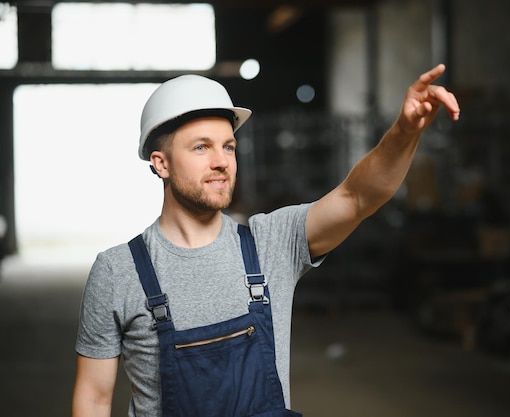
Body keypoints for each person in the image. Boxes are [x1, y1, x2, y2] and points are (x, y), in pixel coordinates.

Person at [71, 63, 460, 417]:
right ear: (161, 163)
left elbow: (358, 197)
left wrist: (405, 132)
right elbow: (93, 398)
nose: (221, 160)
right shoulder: (118, 272)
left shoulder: (270, 243)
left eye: (228, 146)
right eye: (201, 147)